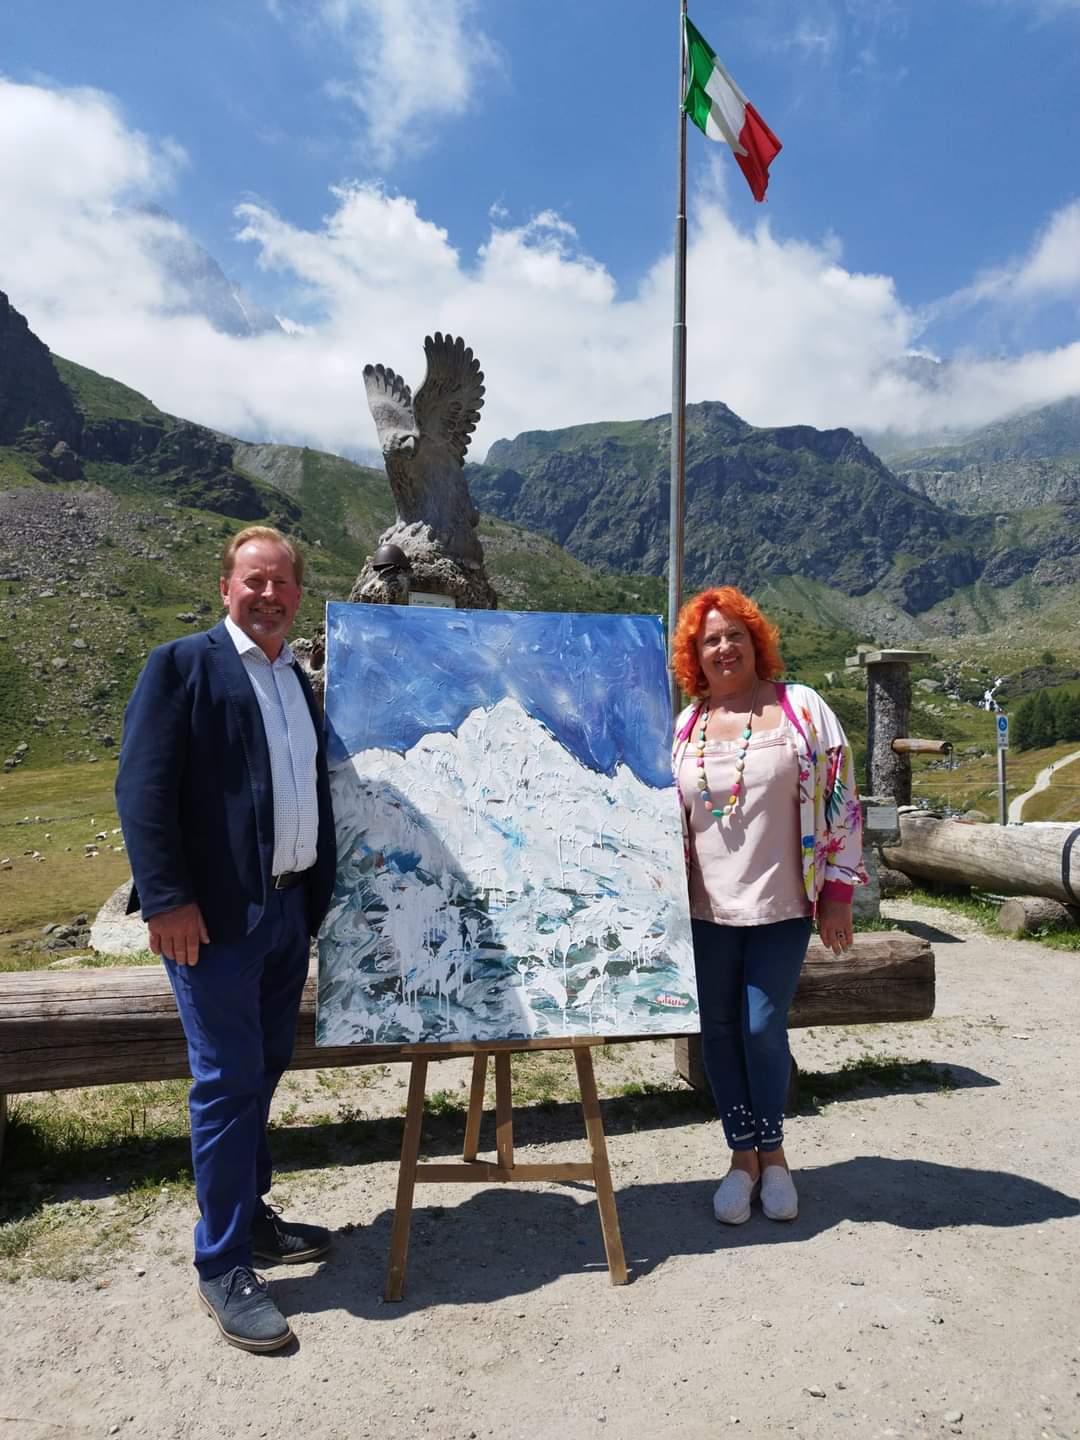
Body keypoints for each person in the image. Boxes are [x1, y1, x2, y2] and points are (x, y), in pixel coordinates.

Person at [116, 525, 337, 1352]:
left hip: (284, 913)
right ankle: (221, 1265)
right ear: (225, 588)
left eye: (284, 582)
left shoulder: (296, 680)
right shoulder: (182, 666)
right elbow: (141, 788)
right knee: (226, 1080)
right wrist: (165, 900)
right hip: (209, 922)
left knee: (262, 1069)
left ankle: (247, 1218)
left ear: (298, 594)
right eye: (255, 580)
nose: (270, 594)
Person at [671, 586, 866, 1225]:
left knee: (761, 1026)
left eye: (735, 635)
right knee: (720, 1032)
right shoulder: (686, 725)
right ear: (694, 655)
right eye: (710, 640)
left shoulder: (801, 709)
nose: (724, 648)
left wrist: (837, 894)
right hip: (704, 909)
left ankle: (774, 1153)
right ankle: (740, 1157)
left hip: (783, 904)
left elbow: (840, 799)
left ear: (757, 642)